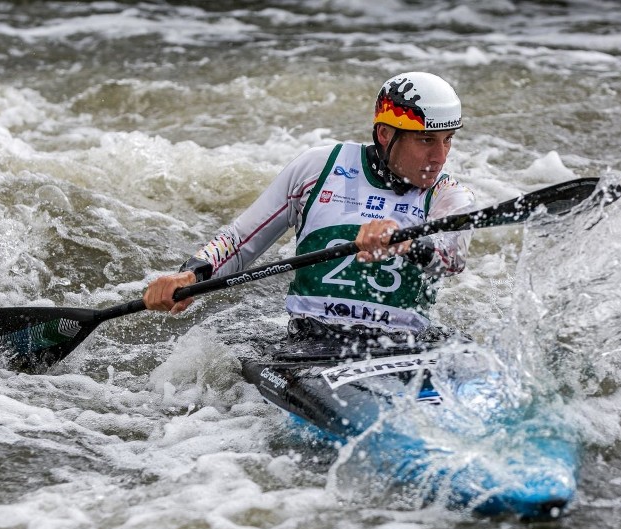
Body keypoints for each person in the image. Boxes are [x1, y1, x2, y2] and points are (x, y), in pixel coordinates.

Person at [143, 71, 475, 343]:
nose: (440, 157)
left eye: (448, 139)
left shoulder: (447, 194)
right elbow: (239, 242)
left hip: (402, 346)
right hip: (311, 342)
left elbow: (452, 256)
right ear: (386, 134)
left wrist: (408, 242)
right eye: (426, 141)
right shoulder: (320, 167)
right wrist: (191, 274)